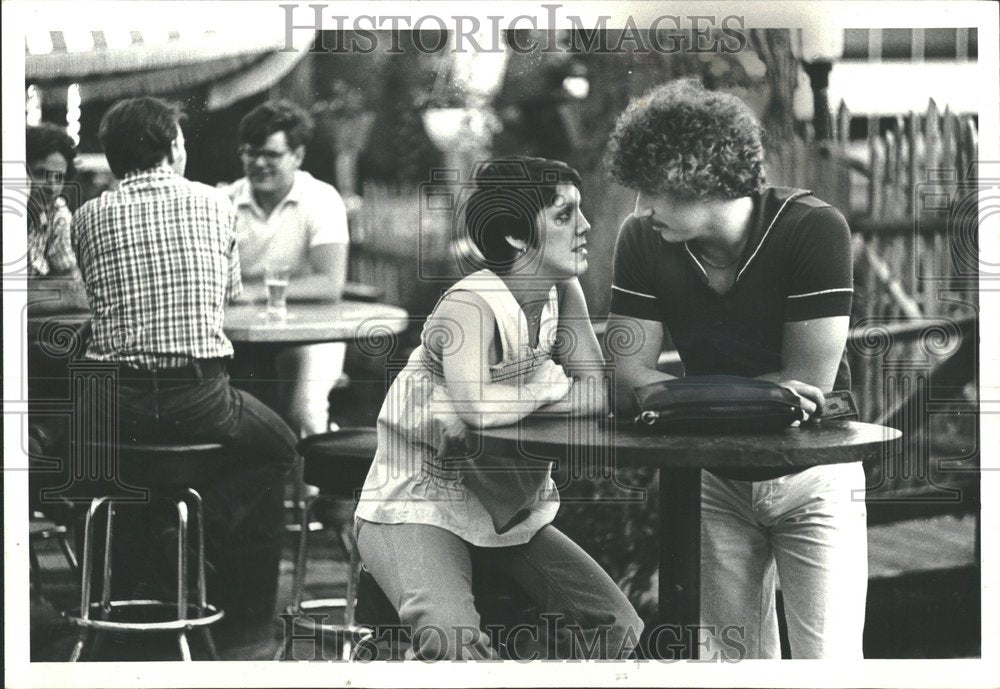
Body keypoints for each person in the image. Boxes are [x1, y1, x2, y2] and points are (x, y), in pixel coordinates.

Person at [604, 79, 864, 659]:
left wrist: (675, 396)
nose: (641, 207)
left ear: (701, 174)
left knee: (832, 666)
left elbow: (809, 390)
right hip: (713, 478)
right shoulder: (642, 241)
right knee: (732, 668)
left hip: (814, 472)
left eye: (653, 189)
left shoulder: (813, 229)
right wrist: (761, 394)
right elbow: (628, 380)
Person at [354, 156, 643, 660]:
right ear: (514, 237)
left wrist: (524, 395)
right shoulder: (470, 304)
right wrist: (551, 386)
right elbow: (478, 408)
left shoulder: (561, 290)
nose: (586, 226)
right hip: (415, 503)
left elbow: (598, 394)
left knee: (616, 625)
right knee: (455, 645)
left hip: (506, 511)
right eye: (563, 215)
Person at [71, 97, 298, 578]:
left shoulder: (87, 217)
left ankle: (115, 565)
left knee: (71, 458)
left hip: (112, 404)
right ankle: (192, 527)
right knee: (281, 447)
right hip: (199, 397)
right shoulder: (215, 203)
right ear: (173, 146)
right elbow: (228, 293)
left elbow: (95, 297)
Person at [224, 100, 350, 435]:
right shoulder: (224, 201)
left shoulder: (321, 199)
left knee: (304, 410)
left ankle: (316, 487)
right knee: (238, 414)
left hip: (311, 331)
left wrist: (251, 293)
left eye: (271, 154)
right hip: (243, 336)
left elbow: (328, 284)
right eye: (251, 153)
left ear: (297, 155)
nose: (259, 163)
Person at [26, 123, 89, 314]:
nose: (51, 188)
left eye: (59, 178)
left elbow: (72, 284)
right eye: (40, 174)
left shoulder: (57, 212)